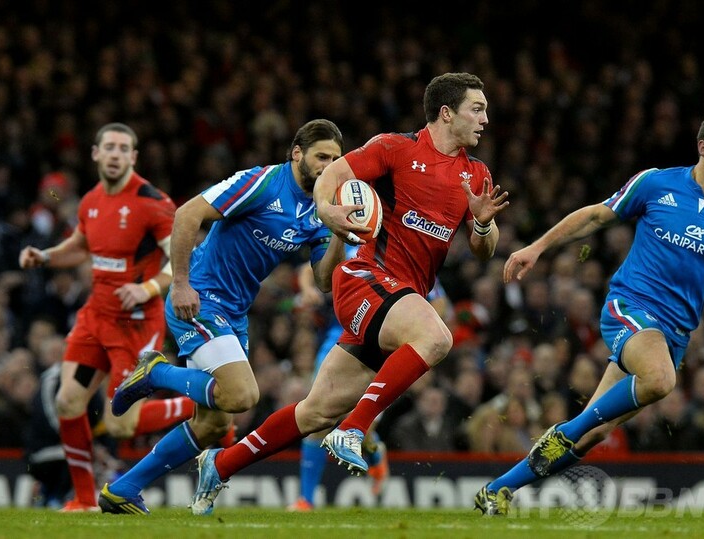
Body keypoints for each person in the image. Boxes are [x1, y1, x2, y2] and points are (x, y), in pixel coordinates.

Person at [188, 71, 509, 516]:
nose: (485, 119)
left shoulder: (475, 173)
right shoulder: (395, 149)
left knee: (315, 412)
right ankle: (354, 430)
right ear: (446, 113)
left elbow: (483, 250)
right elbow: (333, 175)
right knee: (436, 337)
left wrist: (483, 224)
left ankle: (220, 464)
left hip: (397, 301)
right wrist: (327, 210)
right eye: (477, 109)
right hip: (364, 278)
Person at [474, 112, 704, 516]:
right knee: (660, 380)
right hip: (630, 307)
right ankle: (566, 431)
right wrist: (537, 247)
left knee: (594, 434)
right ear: (703, 147)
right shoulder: (656, 183)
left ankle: (497, 490)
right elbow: (597, 215)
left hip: (674, 334)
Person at [97, 118, 347, 514]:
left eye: (335, 159)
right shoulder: (262, 182)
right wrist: (181, 284)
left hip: (234, 312)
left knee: (214, 425)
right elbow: (187, 214)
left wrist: (339, 234)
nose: (328, 166)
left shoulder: (321, 209)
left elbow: (324, 281)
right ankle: (156, 372)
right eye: (321, 157)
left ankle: (122, 489)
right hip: (200, 298)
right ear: (297, 153)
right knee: (243, 395)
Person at [18, 123, 197, 512]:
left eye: (123, 148)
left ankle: (199, 405)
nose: (116, 154)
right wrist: (45, 256)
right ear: (96, 154)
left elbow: (181, 258)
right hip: (95, 317)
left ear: (133, 157)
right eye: (109, 147)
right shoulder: (91, 201)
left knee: (120, 424)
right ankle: (83, 500)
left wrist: (148, 288)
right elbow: (80, 246)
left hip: (135, 324)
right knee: (68, 402)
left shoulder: (152, 202)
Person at [290, 253, 452, 511]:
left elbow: (439, 301)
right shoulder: (351, 247)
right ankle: (305, 499)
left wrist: (421, 330)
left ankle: (373, 449)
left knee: (359, 419)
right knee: (319, 415)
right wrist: (308, 289)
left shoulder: (404, 255)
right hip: (339, 341)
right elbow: (308, 270)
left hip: (379, 345)